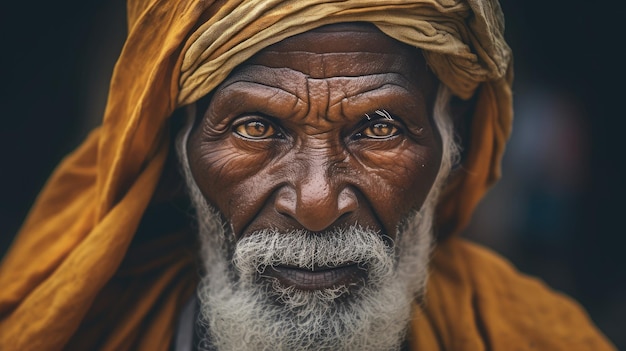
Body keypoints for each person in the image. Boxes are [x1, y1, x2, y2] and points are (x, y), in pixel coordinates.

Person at [0, 0, 616, 350]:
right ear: (176, 143)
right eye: (255, 129)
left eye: (379, 128)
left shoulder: (535, 338)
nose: (318, 201)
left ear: (452, 142)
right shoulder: (82, 336)